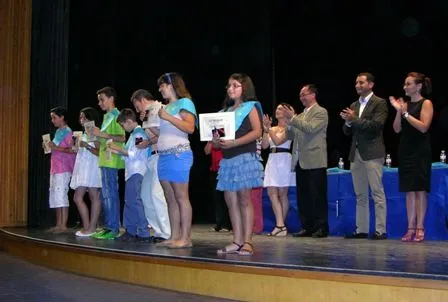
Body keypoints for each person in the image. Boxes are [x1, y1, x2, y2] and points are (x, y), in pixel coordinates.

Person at [215, 73, 264, 255]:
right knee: (231, 201)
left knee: (244, 199)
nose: (230, 89)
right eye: (229, 86)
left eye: (235, 85)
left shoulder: (251, 107)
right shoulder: (223, 112)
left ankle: (248, 241)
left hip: (244, 156)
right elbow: (215, 143)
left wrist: (235, 142)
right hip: (227, 161)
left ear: (245, 88)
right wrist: (215, 140)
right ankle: (236, 240)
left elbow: (258, 131)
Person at [341, 72, 388, 240]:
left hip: (373, 153)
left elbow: (376, 126)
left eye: (361, 82)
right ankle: (361, 229)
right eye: (356, 82)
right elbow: (347, 131)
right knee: (360, 194)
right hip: (356, 153)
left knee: (377, 192)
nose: (357, 85)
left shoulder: (379, 103)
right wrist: (347, 121)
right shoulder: (354, 104)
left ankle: (380, 230)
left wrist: (354, 119)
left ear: (371, 84)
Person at [280, 84, 329, 238]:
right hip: (300, 160)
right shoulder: (300, 116)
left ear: (313, 94)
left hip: (315, 160)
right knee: (303, 196)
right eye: (300, 95)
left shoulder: (321, 112)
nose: (301, 97)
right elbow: (290, 136)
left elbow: (310, 129)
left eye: (304, 94)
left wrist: (293, 118)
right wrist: (288, 123)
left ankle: (321, 227)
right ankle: (307, 226)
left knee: (317, 195)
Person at [390, 72, 433, 242]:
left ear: (419, 86)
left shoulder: (426, 103)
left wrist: (406, 114)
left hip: (420, 151)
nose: (405, 87)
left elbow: (423, 127)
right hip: (405, 150)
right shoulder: (405, 105)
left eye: (408, 84)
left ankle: (420, 227)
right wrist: (399, 112)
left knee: (420, 190)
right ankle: (410, 227)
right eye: (405, 84)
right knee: (409, 190)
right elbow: (396, 129)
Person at [156, 72, 197, 248]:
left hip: (179, 154)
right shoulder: (165, 107)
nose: (160, 89)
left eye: (162, 85)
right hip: (164, 156)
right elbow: (166, 132)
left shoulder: (185, 103)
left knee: (181, 197)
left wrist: (168, 117)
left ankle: (185, 238)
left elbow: (190, 128)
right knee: (170, 198)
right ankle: (174, 236)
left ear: (172, 85)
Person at [131, 89, 171, 242]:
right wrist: (146, 142)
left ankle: (167, 233)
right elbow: (154, 136)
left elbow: (165, 134)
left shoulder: (161, 109)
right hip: (151, 157)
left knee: (157, 194)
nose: (137, 110)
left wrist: (148, 138)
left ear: (141, 100)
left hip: (162, 155)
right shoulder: (147, 115)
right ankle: (159, 231)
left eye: (136, 105)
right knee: (145, 195)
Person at [108, 108, 152, 242]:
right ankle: (131, 230)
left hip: (136, 171)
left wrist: (118, 149)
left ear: (128, 121)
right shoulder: (134, 135)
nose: (123, 128)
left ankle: (143, 232)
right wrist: (117, 151)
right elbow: (129, 153)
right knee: (130, 202)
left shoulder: (139, 134)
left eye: (122, 125)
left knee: (134, 202)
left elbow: (135, 153)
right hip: (131, 172)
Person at [92, 87, 126, 240]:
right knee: (106, 194)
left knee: (111, 194)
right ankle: (109, 226)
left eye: (102, 99)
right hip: (104, 159)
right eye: (99, 100)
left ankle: (114, 228)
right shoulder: (107, 117)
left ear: (111, 99)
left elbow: (122, 137)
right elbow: (104, 138)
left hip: (112, 160)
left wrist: (103, 134)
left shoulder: (117, 115)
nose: (99, 103)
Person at [262, 103, 295, 237]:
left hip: (284, 159)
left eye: (281, 109)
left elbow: (278, 141)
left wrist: (268, 129)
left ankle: (280, 225)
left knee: (282, 194)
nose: (278, 111)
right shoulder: (272, 128)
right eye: (277, 109)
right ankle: (280, 225)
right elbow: (265, 146)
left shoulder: (290, 127)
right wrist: (265, 130)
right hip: (272, 159)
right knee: (271, 192)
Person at [70, 107, 102, 237]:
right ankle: (88, 226)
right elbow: (79, 150)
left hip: (92, 167)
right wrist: (76, 147)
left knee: (94, 197)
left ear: (90, 118)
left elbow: (100, 152)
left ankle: (91, 227)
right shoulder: (82, 133)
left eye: (84, 117)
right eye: (80, 117)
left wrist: (87, 146)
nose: (81, 120)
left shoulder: (95, 131)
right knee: (78, 197)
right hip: (82, 168)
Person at [45, 106, 76, 233]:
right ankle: (58, 224)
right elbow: (55, 147)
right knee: (55, 195)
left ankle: (63, 225)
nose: (52, 120)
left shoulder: (69, 132)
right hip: (55, 167)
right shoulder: (58, 132)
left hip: (64, 168)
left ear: (62, 117)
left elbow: (73, 150)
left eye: (54, 117)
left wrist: (56, 148)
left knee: (61, 195)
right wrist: (48, 146)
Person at [204, 141, 231, 232]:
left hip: (226, 169)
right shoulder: (213, 139)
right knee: (217, 198)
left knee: (227, 198)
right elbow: (206, 151)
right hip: (215, 170)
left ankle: (227, 224)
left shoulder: (226, 137)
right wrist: (210, 141)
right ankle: (219, 223)